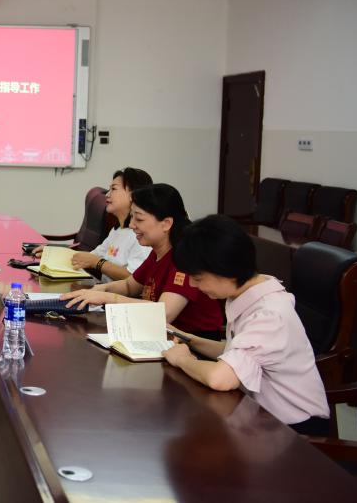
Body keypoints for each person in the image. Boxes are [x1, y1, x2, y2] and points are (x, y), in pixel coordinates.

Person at [162, 214, 330, 435]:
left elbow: (220, 379)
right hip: (259, 416)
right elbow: (233, 350)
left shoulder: (268, 315)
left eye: (198, 277)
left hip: (295, 431)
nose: (192, 284)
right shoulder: (247, 291)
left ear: (225, 269)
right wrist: (187, 338)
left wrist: (182, 359)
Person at [61, 183, 225, 339]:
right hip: (160, 335)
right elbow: (129, 286)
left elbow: (164, 313)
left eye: (139, 219)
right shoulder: (157, 252)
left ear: (166, 223)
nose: (132, 225)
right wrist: (99, 290)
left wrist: (107, 298)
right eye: (132, 217)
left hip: (192, 343)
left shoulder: (185, 257)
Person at [61, 167, 154, 280]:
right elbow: (91, 257)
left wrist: (97, 262)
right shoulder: (117, 230)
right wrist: (53, 254)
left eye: (113, 189)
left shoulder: (141, 236)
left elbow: (134, 277)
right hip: (103, 289)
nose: (107, 195)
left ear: (133, 194)